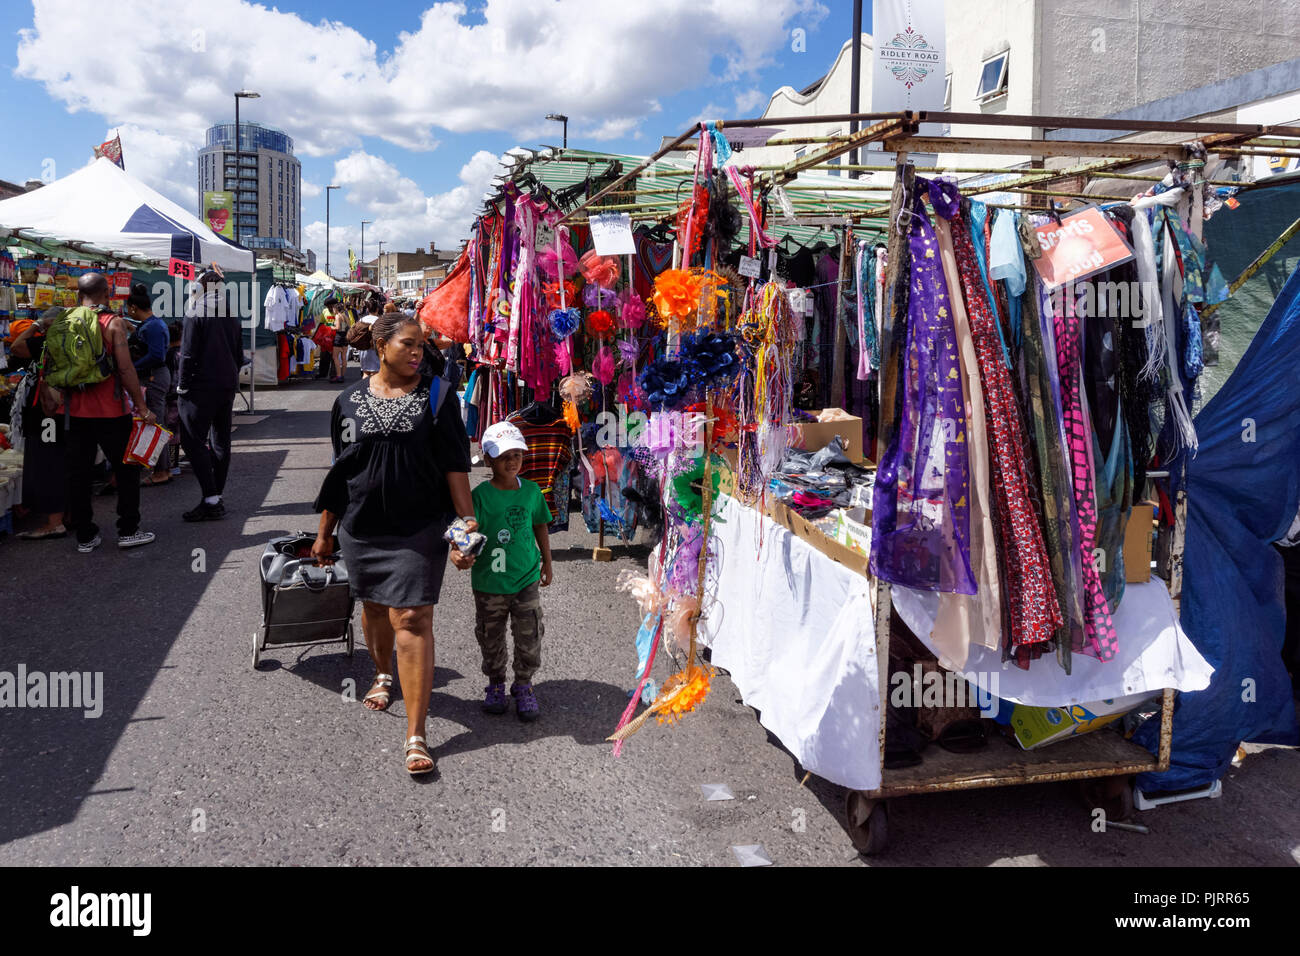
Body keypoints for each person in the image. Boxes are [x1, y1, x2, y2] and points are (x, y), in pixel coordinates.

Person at [312, 311, 475, 775]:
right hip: (362, 526)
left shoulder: (440, 397)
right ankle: (383, 672)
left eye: (421, 344)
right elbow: (340, 471)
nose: (417, 352)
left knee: (412, 615)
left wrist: (467, 528)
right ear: (380, 348)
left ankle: (416, 733)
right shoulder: (346, 402)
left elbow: (455, 467)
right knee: (375, 609)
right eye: (407, 344)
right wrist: (325, 533)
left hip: (420, 526)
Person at [48, 273, 157, 552]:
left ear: (78, 294)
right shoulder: (113, 323)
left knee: (78, 474)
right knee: (126, 470)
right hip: (111, 410)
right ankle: (128, 530)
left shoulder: (62, 321)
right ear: (106, 293)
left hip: (72, 411)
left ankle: (85, 536)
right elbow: (125, 369)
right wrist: (142, 407)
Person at [462, 421, 554, 721]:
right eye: (504, 456)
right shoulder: (479, 497)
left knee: (529, 635)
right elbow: (463, 531)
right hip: (489, 584)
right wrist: (460, 552)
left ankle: (524, 685)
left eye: (517, 454)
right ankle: (496, 683)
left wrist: (547, 562)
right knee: (491, 636)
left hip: (525, 579)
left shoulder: (531, 491)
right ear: (488, 459)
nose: (512, 461)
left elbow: (540, 523)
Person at [178, 269, 244, 521]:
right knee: (220, 440)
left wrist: (182, 384)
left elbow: (187, 354)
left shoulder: (196, 311)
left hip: (200, 387)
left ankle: (211, 497)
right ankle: (215, 496)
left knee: (192, 440)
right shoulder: (231, 313)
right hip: (226, 384)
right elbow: (238, 353)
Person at [8, 312, 67, 539]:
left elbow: (16, 346)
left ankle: (55, 522)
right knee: (59, 460)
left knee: (48, 462)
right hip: (60, 412)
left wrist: (36, 324)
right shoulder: (72, 343)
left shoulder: (46, 342)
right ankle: (65, 515)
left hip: (46, 416)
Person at [126, 283, 172, 486]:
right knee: (157, 421)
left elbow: (156, 354)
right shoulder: (153, 324)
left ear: (133, 308)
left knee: (155, 422)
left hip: (154, 377)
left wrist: (132, 367)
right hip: (155, 376)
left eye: (129, 309)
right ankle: (163, 468)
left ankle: (161, 471)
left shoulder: (152, 327)